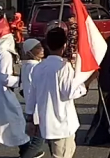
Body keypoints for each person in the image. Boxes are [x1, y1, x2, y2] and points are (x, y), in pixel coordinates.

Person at [25, 27, 97, 158]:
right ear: (64, 45)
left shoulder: (38, 68)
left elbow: (32, 96)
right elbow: (70, 93)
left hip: (46, 123)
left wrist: (29, 118)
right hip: (62, 124)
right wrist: (87, 82)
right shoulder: (64, 67)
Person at [0, 15, 30, 153]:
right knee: (14, 121)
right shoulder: (4, 53)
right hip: (3, 94)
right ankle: (26, 150)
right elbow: (4, 78)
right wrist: (22, 80)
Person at [85, 36, 110, 146]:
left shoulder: (103, 57)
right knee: (109, 113)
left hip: (105, 87)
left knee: (104, 113)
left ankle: (105, 135)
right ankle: (92, 137)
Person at [19, 39, 46, 158]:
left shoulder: (26, 66)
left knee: (35, 142)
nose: (41, 49)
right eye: (37, 47)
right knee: (36, 143)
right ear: (29, 51)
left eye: (41, 46)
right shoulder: (35, 67)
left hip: (32, 108)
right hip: (38, 109)